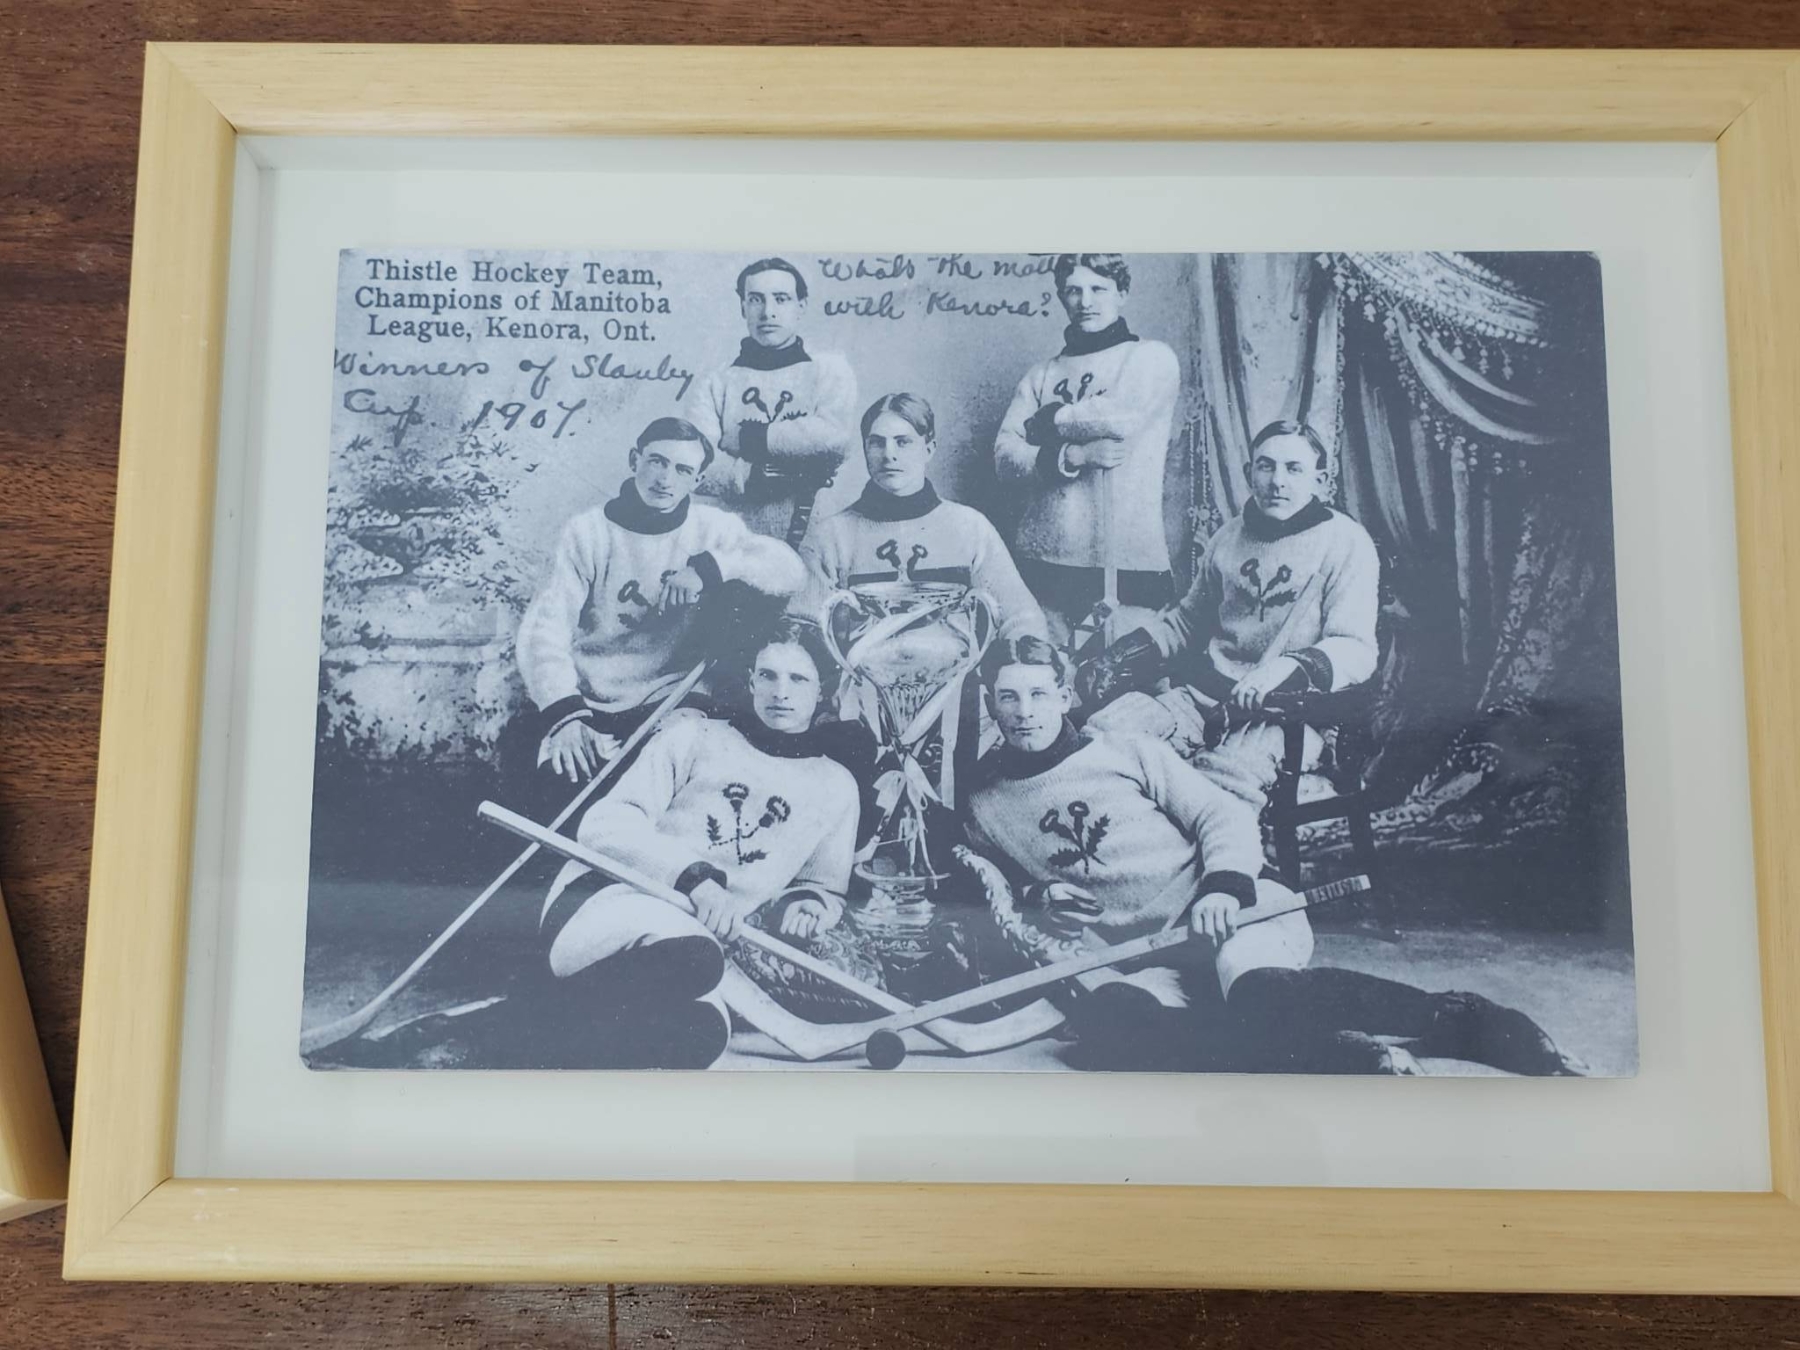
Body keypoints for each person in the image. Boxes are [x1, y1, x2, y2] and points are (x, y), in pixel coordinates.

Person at [963, 636, 1582, 1075]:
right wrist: (1039, 896)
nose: (1024, 712)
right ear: (990, 703)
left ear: (1064, 694)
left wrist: (1221, 888)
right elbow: (1005, 894)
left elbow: (1223, 815)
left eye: (1038, 694)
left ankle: (1463, 1019)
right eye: (1009, 698)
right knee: (1111, 1025)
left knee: (1261, 997)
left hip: (1240, 911)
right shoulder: (986, 804)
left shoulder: (1124, 750)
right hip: (1151, 953)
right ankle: (1344, 1055)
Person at [528, 617, 872, 1068]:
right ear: (751, 680)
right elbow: (604, 825)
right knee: (695, 957)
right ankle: (524, 1024)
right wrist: (696, 881)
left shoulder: (836, 785)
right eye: (767, 675)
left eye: (798, 679)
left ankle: (522, 1034)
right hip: (607, 906)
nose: (780, 692)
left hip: (700, 949)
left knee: (703, 1030)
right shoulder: (694, 736)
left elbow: (823, 885)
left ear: (822, 689)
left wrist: (807, 905)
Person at [507, 416, 806, 819]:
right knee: (560, 790)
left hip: (673, 697)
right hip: (592, 697)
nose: (665, 479)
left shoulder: (713, 529)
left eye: (683, 469)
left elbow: (789, 570)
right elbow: (544, 630)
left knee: (672, 789)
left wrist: (708, 568)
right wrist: (565, 716)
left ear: (698, 480)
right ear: (635, 460)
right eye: (657, 461)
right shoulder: (587, 532)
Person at [1082, 419, 1380, 808]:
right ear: (1249, 472)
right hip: (1206, 698)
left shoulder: (1346, 542)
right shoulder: (1229, 536)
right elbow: (1186, 622)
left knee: (1212, 793)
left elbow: (1356, 648)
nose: (1277, 481)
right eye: (1266, 466)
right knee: (1103, 739)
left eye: (1294, 469)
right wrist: (1123, 655)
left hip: (1291, 716)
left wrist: (1289, 667)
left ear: (1319, 480)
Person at [992, 253, 1182, 645]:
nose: (1086, 301)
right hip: (1044, 557)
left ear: (1122, 293)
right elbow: (1005, 458)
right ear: (1062, 297)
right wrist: (1071, 456)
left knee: (1119, 672)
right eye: (1073, 291)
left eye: (1099, 289)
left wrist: (1047, 420)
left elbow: (1119, 417)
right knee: (1045, 672)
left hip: (1124, 559)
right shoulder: (1041, 374)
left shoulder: (1150, 358)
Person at [800, 392, 1047, 643]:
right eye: (877, 443)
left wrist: (1026, 644)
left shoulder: (970, 528)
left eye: (903, 442)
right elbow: (803, 627)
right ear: (864, 449)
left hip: (957, 668)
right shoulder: (829, 536)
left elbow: (1020, 616)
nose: (889, 455)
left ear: (929, 449)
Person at [683, 257, 860, 545]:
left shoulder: (830, 370)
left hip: (816, 536)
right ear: (743, 307)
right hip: (734, 542)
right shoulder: (715, 382)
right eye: (756, 300)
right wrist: (755, 476)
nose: (768, 312)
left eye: (781, 299)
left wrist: (750, 438)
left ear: (801, 306)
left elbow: (834, 437)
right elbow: (695, 463)